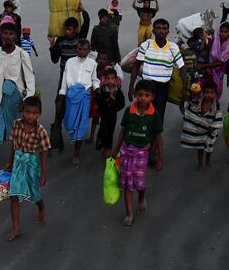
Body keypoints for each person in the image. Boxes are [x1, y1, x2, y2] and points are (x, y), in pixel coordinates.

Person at [0, 23, 36, 172]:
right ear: (1, 35)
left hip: (16, 98)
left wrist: (27, 101)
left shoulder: (21, 54)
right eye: (5, 33)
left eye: (11, 34)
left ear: (16, 36)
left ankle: (11, 162)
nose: (7, 36)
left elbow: (30, 78)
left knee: (15, 131)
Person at [112, 79, 163, 226]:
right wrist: (115, 150)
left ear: (152, 97)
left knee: (139, 184)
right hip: (126, 150)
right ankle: (129, 214)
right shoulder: (129, 111)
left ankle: (141, 196)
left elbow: (158, 137)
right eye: (140, 95)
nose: (143, 98)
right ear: (135, 95)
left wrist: (160, 157)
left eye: (146, 95)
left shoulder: (154, 115)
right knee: (127, 183)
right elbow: (122, 131)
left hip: (142, 152)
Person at [3, 96, 50, 241]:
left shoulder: (40, 131)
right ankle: (16, 228)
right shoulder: (16, 124)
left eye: (34, 113)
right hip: (18, 161)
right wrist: (9, 162)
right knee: (13, 195)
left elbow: (44, 151)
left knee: (34, 192)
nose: (31, 116)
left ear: (39, 114)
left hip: (33, 163)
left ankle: (41, 207)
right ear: (22, 111)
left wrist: (43, 172)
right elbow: (13, 145)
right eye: (28, 112)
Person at [130, 19, 189, 126]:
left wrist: (185, 89)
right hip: (145, 87)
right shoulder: (146, 45)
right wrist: (131, 87)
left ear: (168, 32)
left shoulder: (173, 47)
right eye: (158, 28)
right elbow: (136, 65)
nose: (161, 31)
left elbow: (182, 68)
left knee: (158, 117)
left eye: (164, 28)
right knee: (141, 116)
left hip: (162, 88)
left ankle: (154, 141)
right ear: (153, 31)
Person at [59, 39, 100, 165]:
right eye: (80, 49)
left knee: (82, 124)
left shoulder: (92, 63)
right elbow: (65, 78)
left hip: (84, 96)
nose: (82, 52)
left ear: (89, 50)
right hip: (71, 96)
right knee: (70, 122)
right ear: (76, 49)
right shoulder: (70, 62)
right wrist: (62, 94)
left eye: (85, 49)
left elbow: (94, 79)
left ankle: (76, 153)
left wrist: (97, 87)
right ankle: (73, 136)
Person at [181, 80, 224, 171]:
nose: (209, 95)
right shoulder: (198, 102)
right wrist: (185, 98)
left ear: (215, 93)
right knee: (199, 147)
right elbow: (189, 108)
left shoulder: (216, 105)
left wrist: (212, 128)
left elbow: (218, 117)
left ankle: (208, 158)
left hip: (211, 130)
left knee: (209, 148)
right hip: (200, 131)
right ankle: (200, 163)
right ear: (203, 93)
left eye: (212, 93)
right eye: (207, 92)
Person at [48, 4, 90, 96]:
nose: (67, 32)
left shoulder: (80, 38)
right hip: (64, 77)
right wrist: (52, 45)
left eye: (70, 29)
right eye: (66, 29)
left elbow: (86, 22)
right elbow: (54, 60)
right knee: (61, 101)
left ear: (75, 29)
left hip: (78, 77)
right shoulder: (60, 41)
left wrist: (83, 10)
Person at [95, 67, 126, 155]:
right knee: (102, 130)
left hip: (112, 115)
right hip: (104, 115)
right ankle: (103, 147)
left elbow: (122, 104)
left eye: (112, 78)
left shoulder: (118, 91)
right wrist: (105, 99)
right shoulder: (103, 89)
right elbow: (98, 100)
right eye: (108, 78)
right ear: (105, 79)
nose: (110, 81)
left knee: (110, 131)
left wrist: (114, 101)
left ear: (116, 79)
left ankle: (108, 148)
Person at [208, 22, 229, 100]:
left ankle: (215, 104)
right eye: (221, 31)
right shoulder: (214, 41)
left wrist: (204, 66)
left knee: (216, 88)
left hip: (219, 70)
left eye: (226, 32)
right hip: (208, 70)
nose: (223, 34)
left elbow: (222, 61)